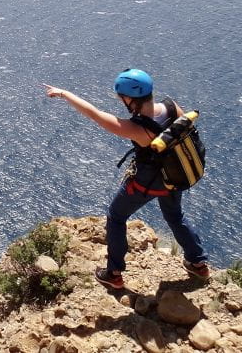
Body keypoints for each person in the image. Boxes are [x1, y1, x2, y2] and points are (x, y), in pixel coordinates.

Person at [43, 68, 208, 290]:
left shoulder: (136, 128)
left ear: (129, 99)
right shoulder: (172, 107)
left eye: (122, 97)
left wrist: (64, 93)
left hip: (148, 182)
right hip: (175, 176)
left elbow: (94, 114)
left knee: (116, 216)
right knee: (175, 216)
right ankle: (198, 263)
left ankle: (114, 273)